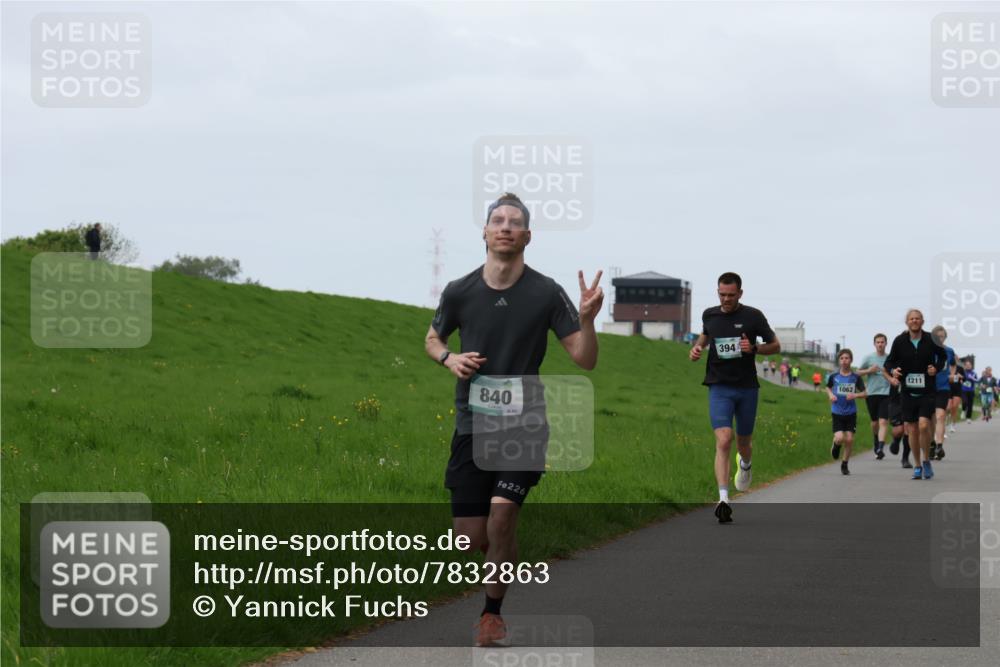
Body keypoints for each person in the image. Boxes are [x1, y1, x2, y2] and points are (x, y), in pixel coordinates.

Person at [424, 192, 604, 646]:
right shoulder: (460, 291)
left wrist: (587, 320)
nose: (505, 227)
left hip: (524, 425)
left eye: (515, 222)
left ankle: (492, 614)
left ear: (528, 236)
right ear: (485, 233)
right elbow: (432, 338)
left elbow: (584, 359)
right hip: (472, 423)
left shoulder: (546, 292)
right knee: (469, 538)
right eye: (498, 221)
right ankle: (502, 555)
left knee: (502, 517)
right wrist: (449, 358)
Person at [689, 272, 780, 523]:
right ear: (717, 292)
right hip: (719, 386)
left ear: (740, 293)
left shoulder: (753, 316)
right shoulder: (710, 314)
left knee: (743, 443)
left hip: (747, 387)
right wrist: (698, 347)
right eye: (722, 294)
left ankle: (746, 464)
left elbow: (776, 345)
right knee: (724, 439)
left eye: (731, 295)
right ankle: (723, 499)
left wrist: (755, 348)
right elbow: (706, 334)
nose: (726, 299)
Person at [884, 309, 947, 480]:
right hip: (907, 391)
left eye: (917, 318)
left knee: (924, 425)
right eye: (911, 319)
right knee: (911, 429)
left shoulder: (931, 339)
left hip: (927, 390)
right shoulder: (899, 341)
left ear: (922, 321)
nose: (914, 321)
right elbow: (889, 361)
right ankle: (918, 465)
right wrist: (893, 370)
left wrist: (936, 368)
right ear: (907, 322)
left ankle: (926, 460)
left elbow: (943, 357)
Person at [827, 349, 867, 475]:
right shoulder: (834, 376)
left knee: (849, 439)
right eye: (842, 358)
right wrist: (830, 395)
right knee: (839, 438)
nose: (844, 361)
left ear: (851, 360)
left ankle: (844, 464)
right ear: (839, 361)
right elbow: (828, 387)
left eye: (847, 358)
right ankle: (836, 445)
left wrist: (855, 395)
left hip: (851, 413)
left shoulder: (855, 377)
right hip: (837, 411)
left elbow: (865, 393)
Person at [857, 334, 891, 460]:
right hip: (871, 393)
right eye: (878, 342)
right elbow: (857, 372)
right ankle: (876, 439)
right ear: (874, 344)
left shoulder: (890, 358)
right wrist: (869, 371)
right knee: (875, 422)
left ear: (886, 343)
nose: (880, 344)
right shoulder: (868, 358)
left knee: (883, 421)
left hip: (886, 393)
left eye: (882, 342)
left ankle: (880, 447)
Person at [929, 325, 957, 460]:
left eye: (942, 336)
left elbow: (953, 364)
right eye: (938, 336)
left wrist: (952, 374)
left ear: (945, 337)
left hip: (943, 387)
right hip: (928, 388)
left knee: (940, 416)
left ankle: (939, 446)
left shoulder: (949, 351)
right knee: (931, 419)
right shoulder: (928, 349)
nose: (940, 339)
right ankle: (932, 443)